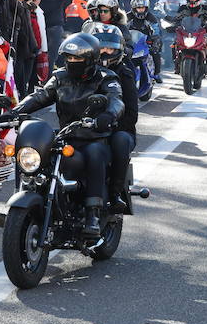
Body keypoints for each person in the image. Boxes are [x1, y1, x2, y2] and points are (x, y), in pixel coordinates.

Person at [10, 33, 124, 235]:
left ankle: (93, 214)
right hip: (66, 137)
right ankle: (23, 201)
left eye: (78, 58)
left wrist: (108, 115)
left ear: (90, 59)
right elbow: (41, 96)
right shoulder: (60, 78)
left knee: (95, 154)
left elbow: (116, 100)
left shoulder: (106, 78)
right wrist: (15, 111)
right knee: (34, 153)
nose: (72, 62)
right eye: (69, 58)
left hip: (94, 137)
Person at [89, 23, 138, 214]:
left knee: (120, 142)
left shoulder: (124, 72)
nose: (105, 52)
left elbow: (132, 112)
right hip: (84, 127)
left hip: (118, 128)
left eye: (110, 48)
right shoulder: (83, 70)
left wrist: (111, 125)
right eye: (101, 47)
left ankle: (115, 194)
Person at [172, 0, 207, 76]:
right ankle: (176, 63)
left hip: (200, 33)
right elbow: (177, 18)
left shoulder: (204, 8)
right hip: (185, 32)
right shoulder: (182, 8)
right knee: (174, 43)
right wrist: (173, 24)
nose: (192, 0)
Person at [128, 0, 163, 82]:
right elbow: (122, 28)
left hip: (147, 41)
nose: (140, 10)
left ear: (146, 8)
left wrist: (155, 39)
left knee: (156, 52)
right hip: (131, 41)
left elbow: (156, 30)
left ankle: (157, 73)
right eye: (138, 8)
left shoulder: (151, 18)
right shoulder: (127, 17)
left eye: (142, 8)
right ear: (133, 8)